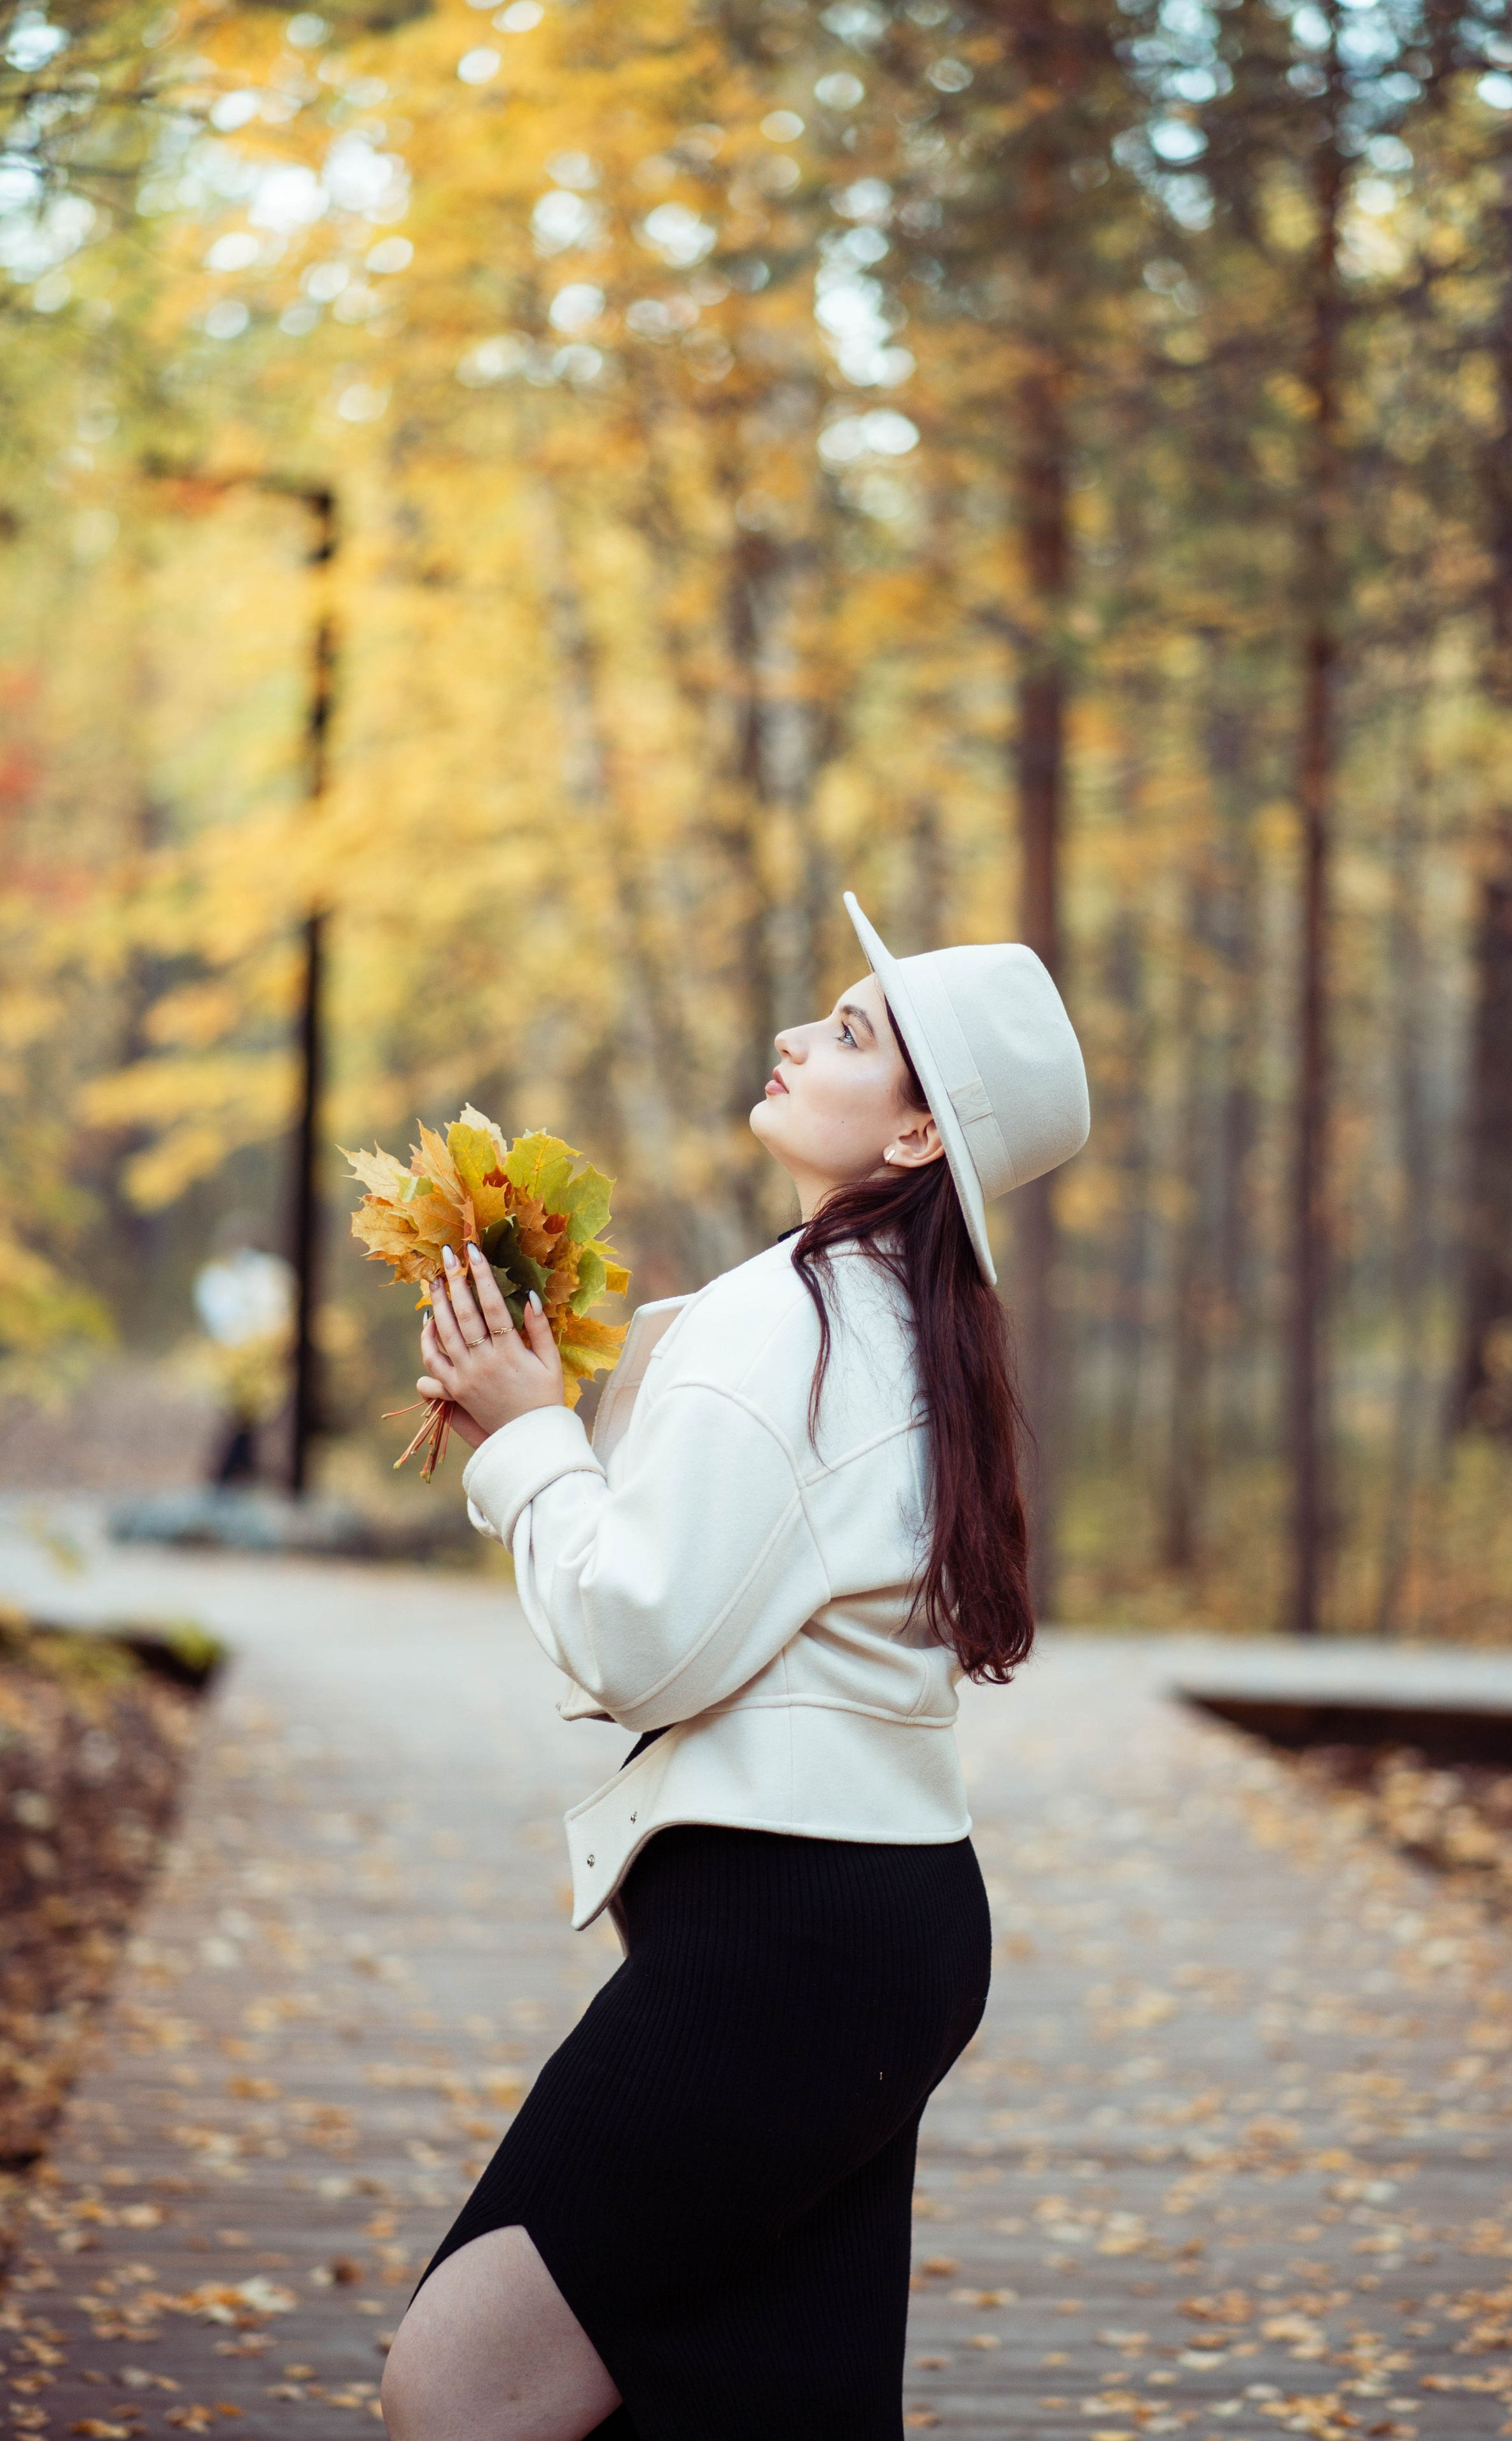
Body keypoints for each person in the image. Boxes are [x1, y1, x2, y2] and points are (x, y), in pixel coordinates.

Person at [381, 891, 1090, 2441]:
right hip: (879, 1928)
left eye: (849, 1033)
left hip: (790, 1947)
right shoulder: (908, 1318)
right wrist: (550, 1418)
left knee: (460, 2379)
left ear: (915, 1141)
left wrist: (525, 1441)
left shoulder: (793, 1318)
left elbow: (640, 1640)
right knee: (755, 2410)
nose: (794, 1034)